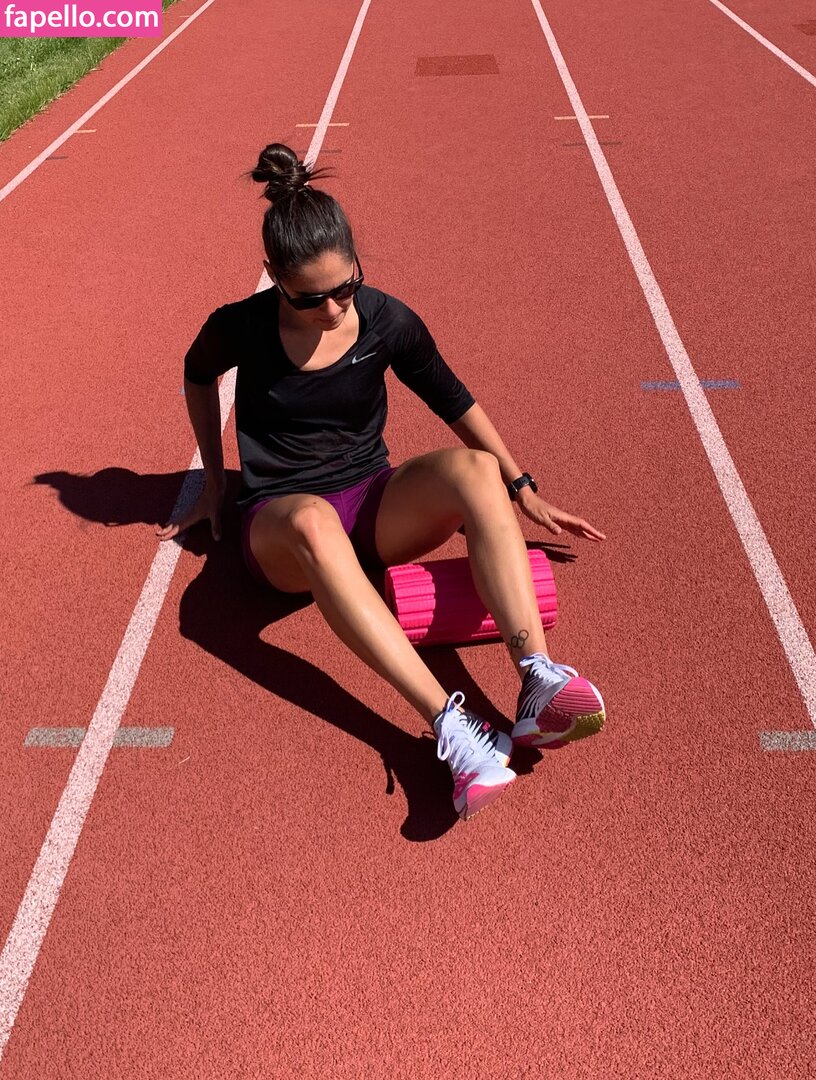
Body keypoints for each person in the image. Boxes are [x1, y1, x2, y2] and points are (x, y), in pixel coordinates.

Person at [158, 143, 607, 821]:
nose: (334, 308)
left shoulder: (386, 318)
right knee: (313, 522)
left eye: (346, 287)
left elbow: (453, 398)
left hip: (372, 502)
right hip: (283, 524)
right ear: (274, 277)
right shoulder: (240, 327)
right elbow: (197, 374)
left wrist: (521, 486)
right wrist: (215, 484)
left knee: (475, 468)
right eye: (311, 298)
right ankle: (453, 729)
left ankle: (536, 682)